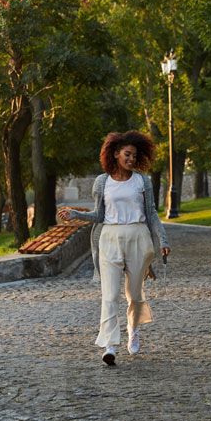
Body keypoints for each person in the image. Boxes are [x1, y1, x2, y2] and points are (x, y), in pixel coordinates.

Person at [57, 130, 171, 366]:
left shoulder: (142, 181)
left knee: (134, 293)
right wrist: (75, 214)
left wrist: (163, 241)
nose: (131, 159)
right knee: (109, 295)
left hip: (138, 236)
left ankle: (133, 328)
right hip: (109, 238)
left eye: (134, 155)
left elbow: (151, 214)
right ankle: (109, 345)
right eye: (127, 154)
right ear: (116, 153)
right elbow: (99, 214)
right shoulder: (103, 182)